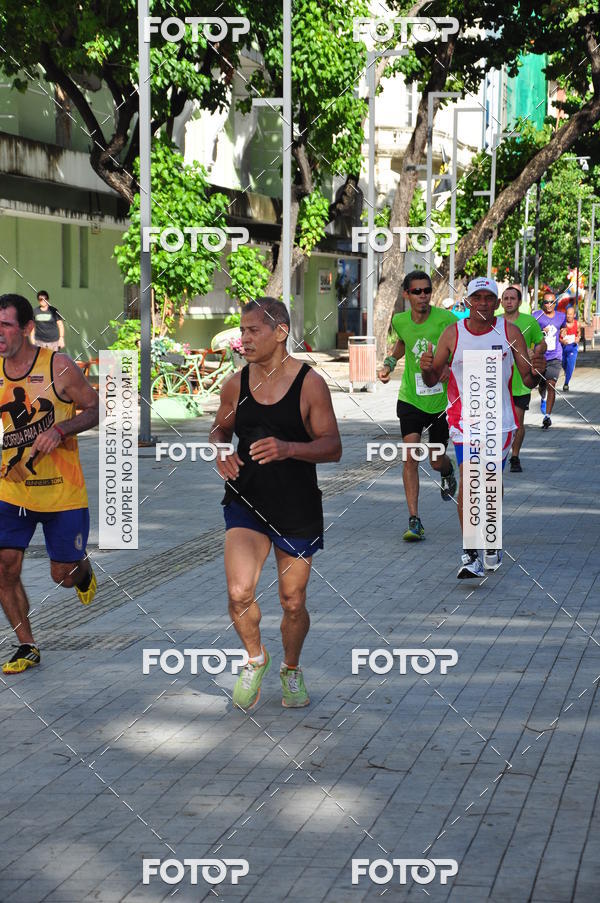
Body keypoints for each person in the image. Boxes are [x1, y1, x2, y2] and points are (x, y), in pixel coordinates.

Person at [211, 297, 342, 710]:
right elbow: (219, 429)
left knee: (292, 601)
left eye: (252, 330)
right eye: (241, 330)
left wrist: (288, 448)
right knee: (238, 591)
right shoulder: (235, 383)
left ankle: (290, 668)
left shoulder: (310, 383)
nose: (243, 338)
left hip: (296, 505)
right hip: (246, 501)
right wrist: (219, 452)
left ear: (280, 332)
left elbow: (333, 447)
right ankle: (255, 658)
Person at [419, 277, 546, 579]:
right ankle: (470, 552)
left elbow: (527, 380)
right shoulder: (453, 334)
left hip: (499, 422)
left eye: (490, 298)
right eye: (478, 298)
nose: (484, 304)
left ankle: (491, 534)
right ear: (469, 302)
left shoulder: (509, 331)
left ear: (498, 302)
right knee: (469, 482)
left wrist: (538, 372)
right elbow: (433, 379)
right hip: (464, 421)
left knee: (490, 482)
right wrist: (426, 369)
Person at [0, 294, 99, 674]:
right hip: (13, 487)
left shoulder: (57, 367)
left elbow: (93, 408)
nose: (0, 333)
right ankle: (27, 645)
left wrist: (61, 429)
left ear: (26, 329)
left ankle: (83, 570)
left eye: (7, 325)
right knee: (5, 567)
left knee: (62, 575)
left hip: (62, 492)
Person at [378, 271, 457, 542]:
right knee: (410, 456)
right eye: (417, 292)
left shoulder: (446, 319)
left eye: (426, 291)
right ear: (406, 295)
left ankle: (447, 470)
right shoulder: (400, 320)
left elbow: (458, 348)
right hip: (411, 398)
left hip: (440, 402)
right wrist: (389, 363)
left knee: (435, 460)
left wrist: (448, 367)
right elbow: (402, 343)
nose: (423, 296)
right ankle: (415, 520)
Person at [499, 285, 546, 472]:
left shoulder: (529, 321)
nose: (509, 301)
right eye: (506, 298)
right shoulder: (494, 322)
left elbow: (542, 342)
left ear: (519, 302)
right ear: (501, 302)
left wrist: (535, 351)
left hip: (520, 380)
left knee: (517, 422)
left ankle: (515, 456)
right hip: (498, 380)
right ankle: (498, 453)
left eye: (512, 298)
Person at [533, 291, 566, 429]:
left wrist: (563, 333)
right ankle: (543, 397)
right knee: (542, 385)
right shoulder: (536, 316)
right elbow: (531, 332)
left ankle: (547, 417)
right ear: (543, 303)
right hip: (540, 356)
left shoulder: (561, 316)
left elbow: (563, 328)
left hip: (555, 356)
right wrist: (541, 331)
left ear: (555, 303)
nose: (549, 304)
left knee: (551, 384)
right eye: (546, 302)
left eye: (551, 302)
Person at [560, 304, 581, 391]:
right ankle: (566, 372)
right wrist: (562, 341)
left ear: (574, 315)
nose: (568, 316)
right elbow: (559, 338)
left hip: (573, 347)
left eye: (570, 314)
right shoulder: (563, 325)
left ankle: (566, 383)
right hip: (563, 348)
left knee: (570, 365)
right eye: (567, 314)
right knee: (564, 364)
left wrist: (578, 338)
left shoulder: (577, 324)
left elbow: (579, 333)